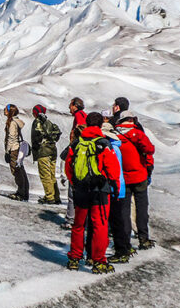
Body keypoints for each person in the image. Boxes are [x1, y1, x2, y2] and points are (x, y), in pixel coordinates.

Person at [65, 112, 121, 274]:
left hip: (81, 189)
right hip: (99, 190)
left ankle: (74, 258)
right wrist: (114, 187)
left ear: (87, 123)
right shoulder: (103, 143)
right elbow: (113, 169)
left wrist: (76, 183)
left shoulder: (77, 143)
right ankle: (98, 261)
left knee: (78, 225)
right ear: (100, 125)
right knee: (99, 225)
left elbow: (69, 167)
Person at [113, 110, 156, 257]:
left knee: (124, 211)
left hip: (123, 178)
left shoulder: (115, 136)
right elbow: (150, 150)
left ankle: (125, 241)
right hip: (139, 175)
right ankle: (143, 237)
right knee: (141, 208)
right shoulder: (138, 134)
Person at [62, 97, 88, 228]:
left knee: (73, 192)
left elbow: (79, 130)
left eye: (70, 105)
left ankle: (71, 220)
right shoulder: (83, 114)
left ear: (75, 106)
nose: (69, 108)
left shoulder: (79, 116)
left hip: (78, 153)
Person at [31, 104, 62, 204]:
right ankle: (56, 196)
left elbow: (36, 137)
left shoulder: (37, 122)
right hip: (53, 150)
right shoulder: (48, 122)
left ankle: (49, 197)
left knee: (45, 175)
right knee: (52, 175)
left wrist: (35, 150)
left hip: (43, 151)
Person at [4, 104, 29, 201]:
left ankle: (21, 193)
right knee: (20, 170)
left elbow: (11, 138)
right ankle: (24, 192)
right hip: (17, 149)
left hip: (13, 149)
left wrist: (7, 151)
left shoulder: (12, 123)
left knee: (16, 171)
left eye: (6, 109)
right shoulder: (16, 122)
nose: (4, 110)